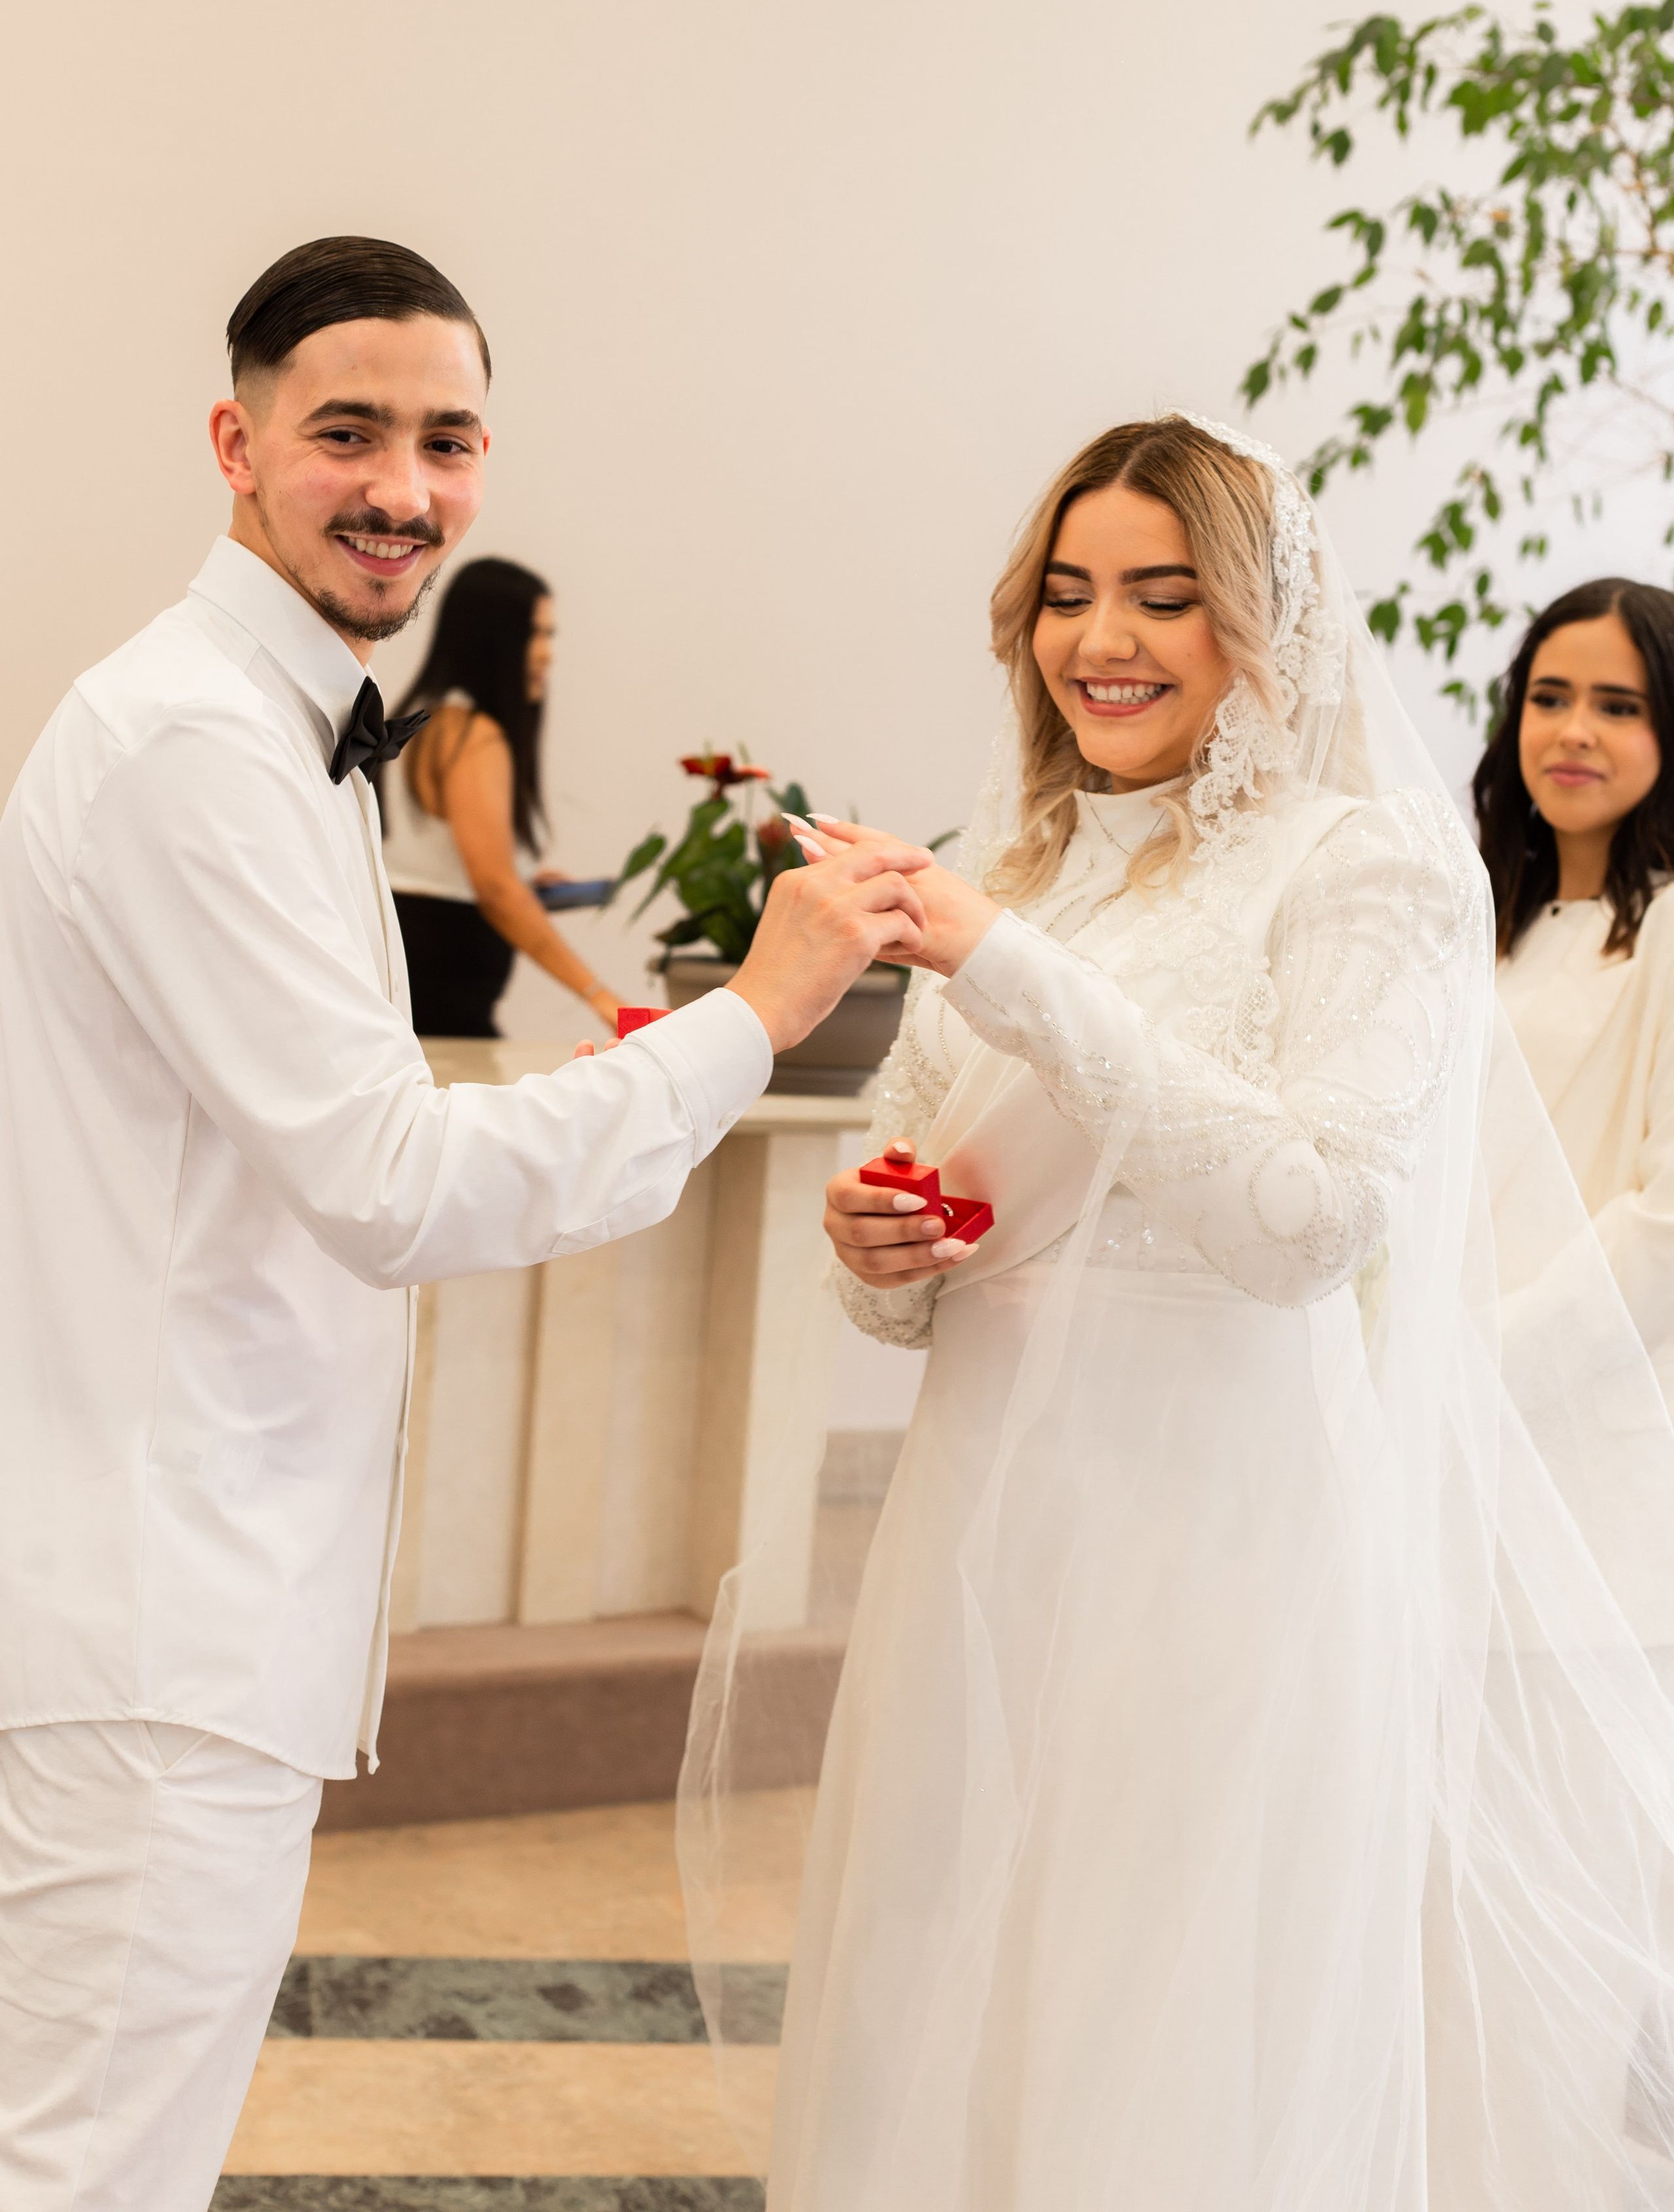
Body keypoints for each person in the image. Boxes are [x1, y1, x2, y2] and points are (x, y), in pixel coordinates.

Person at [0, 233, 931, 2211]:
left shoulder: (272, 727)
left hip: (176, 1583)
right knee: (89, 2172)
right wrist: (750, 1016)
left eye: (448, 436)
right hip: (155, 1605)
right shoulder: (193, 744)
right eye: (348, 432)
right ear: (234, 442)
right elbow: (391, 1182)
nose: (403, 488)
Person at [680, 413, 1674, 2206]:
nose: (1100, 640)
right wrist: (878, 1237)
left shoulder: (1354, 867)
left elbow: (1310, 1225)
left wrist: (1004, 961)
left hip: (1217, 1522)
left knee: (1160, 1996)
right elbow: (911, 1239)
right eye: (1065, 595)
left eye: (1161, 594)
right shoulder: (1025, 858)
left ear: (1261, 625)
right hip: (983, 1513)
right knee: (947, 1963)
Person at [1475, 577, 1674, 1387]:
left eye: (1619, 707)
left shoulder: (1665, 927)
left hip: (1584, 1397)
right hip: (1430, 1386)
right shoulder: (1479, 930)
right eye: (1549, 699)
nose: (1574, 732)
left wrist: (1485, 1359)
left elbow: (1665, 1224)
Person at [381, 554, 623, 1038]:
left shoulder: (427, 718)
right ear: (493, 638)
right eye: (535, 635)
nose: (546, 655)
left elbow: (445, 862)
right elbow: (494, 890)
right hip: (444, 988)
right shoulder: (473, 734)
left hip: (421, 968)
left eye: (549, 636)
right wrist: (604, 998)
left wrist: (521, 880)